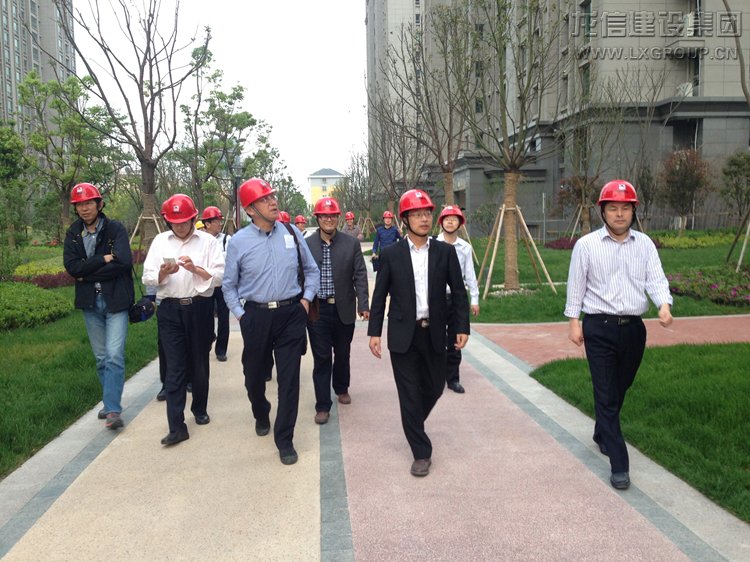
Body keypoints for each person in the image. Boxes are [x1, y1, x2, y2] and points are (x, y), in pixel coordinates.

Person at [565, 179, 673, 491]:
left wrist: (664, 305)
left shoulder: (645, 244)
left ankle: (602, 431)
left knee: (619, 388)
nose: (619, 214)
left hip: (634, 329)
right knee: (605, 394)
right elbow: (576, 284)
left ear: (633, 211)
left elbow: (656, 279)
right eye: (613, 208)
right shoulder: (587, 245)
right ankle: (619, 465)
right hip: (598, 327)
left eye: (625, 208)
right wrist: (574, 322)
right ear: (603, 212)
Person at [368, 189, 470, 477]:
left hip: (435, 332)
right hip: (403, 334)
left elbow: (458, 292)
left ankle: (413, 423)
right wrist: (374, 332)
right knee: (409, 393)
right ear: (405, 219)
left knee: (436, 386)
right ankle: (421, 452)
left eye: (427, 214)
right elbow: (380, 296)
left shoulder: (445, 252)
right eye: (417, 214)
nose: (424, 219)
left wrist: (461, 327)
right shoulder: (391, 254)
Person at [223, 178, 319, 466]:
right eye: (264, 199)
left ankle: (285, 439)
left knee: (289, 380)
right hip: (256, 316)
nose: (273, 202)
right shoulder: (238, 242)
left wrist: (305, 301)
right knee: (254, 376)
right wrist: (241, 315)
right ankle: (260, 410)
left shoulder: (291, 232)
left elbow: (311, 270)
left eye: (272, 197)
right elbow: (228, 285)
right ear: (250, 209)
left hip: (291, 314)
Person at [142, 194, 225, 446]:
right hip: (169, 310)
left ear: (193, 219)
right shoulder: (160, 241)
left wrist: (195, 269)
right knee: (175, 366)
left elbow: (220, 276)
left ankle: (199, 408)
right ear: (167, 221)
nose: (179, 226)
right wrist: (162, 274)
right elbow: (147, 277)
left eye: (184, 221)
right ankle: (176, 426)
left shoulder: (208, 242)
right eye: (174, 222)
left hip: (199, 308)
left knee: (199, 361)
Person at [63, 183, 133, 430]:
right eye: (80, 205)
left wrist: (87, 274)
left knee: (114, 355)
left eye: (88, 203)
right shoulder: (73, 233)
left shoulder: (115, 229)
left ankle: (113, 410)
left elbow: (123, 263)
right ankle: (109, 400)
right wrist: (101, 259)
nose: (84, 208)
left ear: (99, 204)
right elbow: (72, 268)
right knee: (102, 358)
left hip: (116, 301)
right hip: (90, 303)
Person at [305, 197, 369, 425]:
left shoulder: (350, 244)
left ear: (338, 218)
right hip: (317, 310)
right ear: (318, 218)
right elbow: (299, 274)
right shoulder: (307, 245)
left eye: (332, 215)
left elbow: (360, 274)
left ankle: (342, 387)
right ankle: (322, 405)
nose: (329, 219)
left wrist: (363, 304)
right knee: (321, 357)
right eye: (324, 216)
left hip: (343, 307)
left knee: (342, 353)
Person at [436, 205, 480, 394]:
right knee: (435, 338)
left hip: (456, 298)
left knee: (456, 338)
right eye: (447, 219)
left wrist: (474, 299)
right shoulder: (433, 244)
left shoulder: (465, 248)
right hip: (436, 298)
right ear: (441, 222)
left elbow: (470, 275)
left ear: (460, 223)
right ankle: (435, 376)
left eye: (454, 219)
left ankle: (453, 378)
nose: (450, 222)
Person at [201, 206, 232, 362]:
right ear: (207, 224)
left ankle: (221, 349)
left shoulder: (227, 240)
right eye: (217, 221)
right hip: (206, 283)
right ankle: (207, 339)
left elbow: (231, 260)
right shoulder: (199, 240)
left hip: (223, 284)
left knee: (224, 318)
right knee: (205, 317)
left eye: (220, 220)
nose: (220, 223)